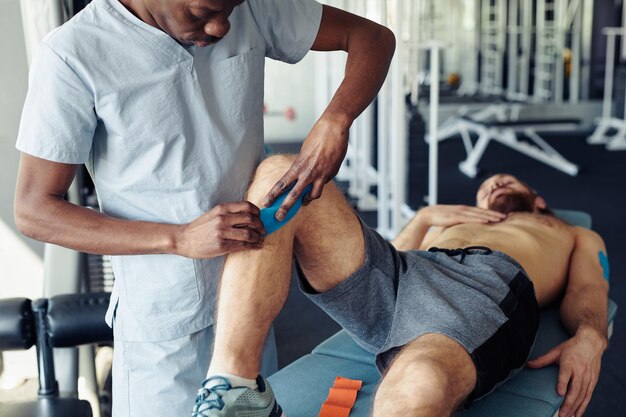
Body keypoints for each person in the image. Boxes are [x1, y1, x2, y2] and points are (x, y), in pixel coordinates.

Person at [12, 1, 395, 416]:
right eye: (202, 11)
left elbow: (373, 38)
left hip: (247, 302)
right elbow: (34, 210)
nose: (220, 27)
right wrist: (178, 238)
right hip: (163, 327)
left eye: (228, 10)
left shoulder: (247, 7)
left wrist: (335, 121)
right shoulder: (73, 54)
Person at [194, 157, 610, 417]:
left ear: (537, 200)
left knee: (422, 379)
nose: (494, 185)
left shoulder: (568, 232)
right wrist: (426, 217)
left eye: (506, 181)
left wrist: (591, 336)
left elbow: (589, 290)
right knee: (281, 173)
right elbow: (394, 254)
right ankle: (236, 392)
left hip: (480, 289)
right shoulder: (453, 219)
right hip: (403, 273)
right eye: (487, 186)